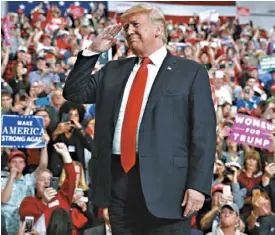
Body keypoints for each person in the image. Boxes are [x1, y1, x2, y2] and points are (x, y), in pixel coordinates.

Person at [63, 4, 216, 234]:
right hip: (119, 185)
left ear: (158, 29)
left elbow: (203, 133)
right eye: (126, 27)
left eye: (136, 25)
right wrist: (93, 51)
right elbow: (74, 92)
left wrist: (197, 186)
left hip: (169, 190)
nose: (129, 31)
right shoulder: (113, 70)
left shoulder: (190, 72)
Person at [19, 143, 76, 235]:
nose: (46, 182)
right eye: (42, 179)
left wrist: (65, 154)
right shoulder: (29, 201)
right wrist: (44, 202)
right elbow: (26, 221)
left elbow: (72, 178)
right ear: (36, 185)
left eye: (50, 179)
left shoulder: (62, 196)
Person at [1, 134, 49, 235]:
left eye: (20, 162)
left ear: (24, 165)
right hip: (7, 227)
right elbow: (4, 199)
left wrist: (44, 145)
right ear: (9, 165)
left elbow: (43, 165)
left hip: (27, 226)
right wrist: (12, 177)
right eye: (14, 162)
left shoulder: (30, 178)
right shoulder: (2, 181)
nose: (17, 165)